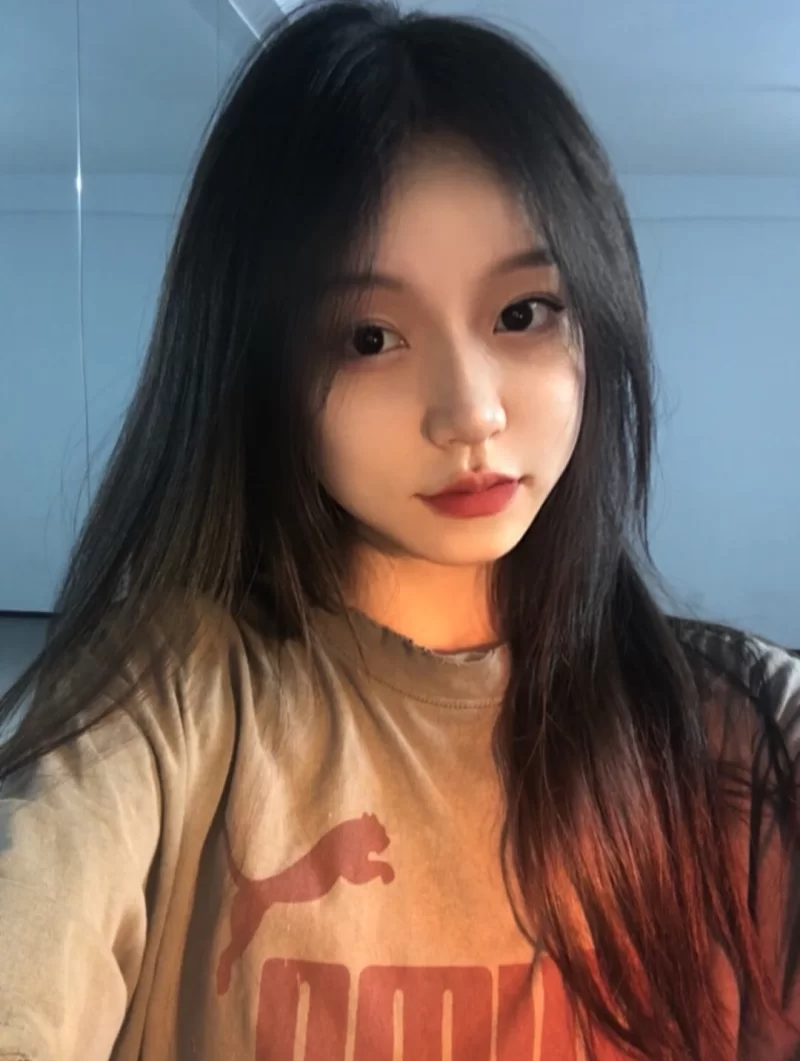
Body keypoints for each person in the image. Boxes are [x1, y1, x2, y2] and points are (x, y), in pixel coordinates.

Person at [0, 1, 798, 1058]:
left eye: (522, 313)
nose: (468, 412)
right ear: (261, 371)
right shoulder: (167, 703)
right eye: (368, 336)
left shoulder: (742, 728)